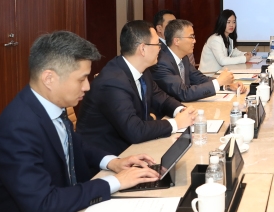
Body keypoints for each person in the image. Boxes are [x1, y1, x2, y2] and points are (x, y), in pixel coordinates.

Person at [0, 31, 160, 212]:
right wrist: (114, 182)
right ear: (49, 78)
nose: (87, 87)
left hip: (65, 211)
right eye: (81, 79)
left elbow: (75, 144)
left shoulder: (51, 105)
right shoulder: (17, 128)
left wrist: (113, 162)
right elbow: (43, 206)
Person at [77, 20, 197, 155]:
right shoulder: (113, 82)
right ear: (143, 49)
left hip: (134, 148)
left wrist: (181, 111)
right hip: (108, 156)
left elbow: (161, 98)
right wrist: (176, 123)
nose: (160, 48)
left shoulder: (143, 70)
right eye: (158, 44)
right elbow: (135, 131)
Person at [151, 19, 247, 102]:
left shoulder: (184, 58)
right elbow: (183, 93)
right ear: (177, 41)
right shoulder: (161, 63)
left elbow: (200, 79)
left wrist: (226, 85)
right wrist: (218, 82)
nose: (194, 41)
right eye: (191, 37)